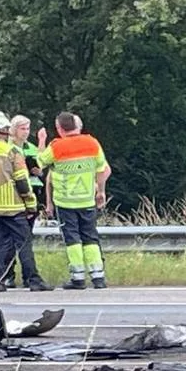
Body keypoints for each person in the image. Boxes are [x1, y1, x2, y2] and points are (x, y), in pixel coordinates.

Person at [0, 111, 52, 291]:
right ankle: (33, 280)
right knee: (23, 242)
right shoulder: (11, 151)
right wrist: (30, 204)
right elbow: (22, 180)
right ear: (6, 129)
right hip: (12, 206)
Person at [36, 111, 111, 289]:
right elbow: (102, 171)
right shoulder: (92, 143)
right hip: (87, 200)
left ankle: (78, 277)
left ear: (59, 128)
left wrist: (41, 140)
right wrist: (100, 192)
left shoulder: (57, 147)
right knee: (90, 237)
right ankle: (98, 276)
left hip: (65, 201)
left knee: (72, 239)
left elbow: (39, 163)